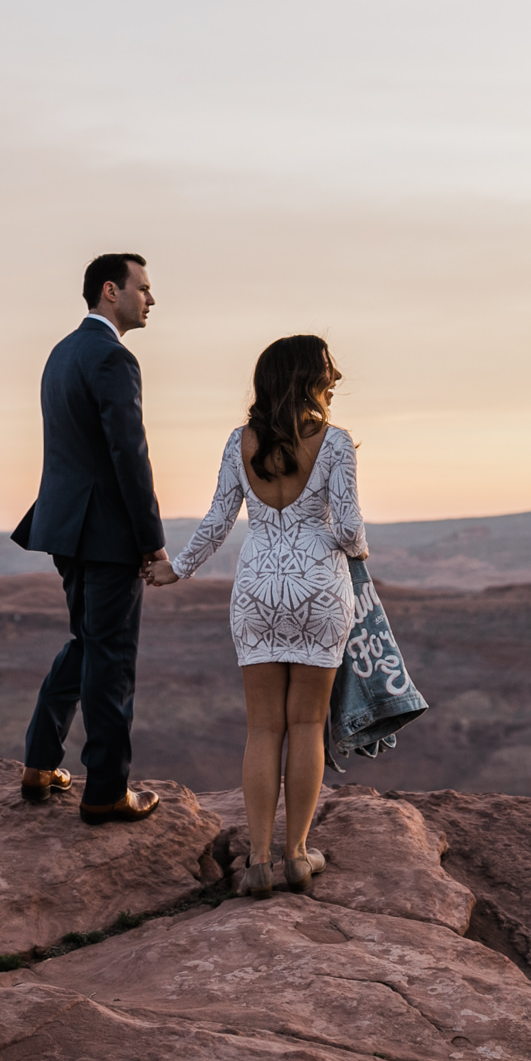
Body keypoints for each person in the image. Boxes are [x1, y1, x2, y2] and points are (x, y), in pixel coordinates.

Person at [150, 334, 367, 895]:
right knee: (307, 726)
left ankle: (259, 864)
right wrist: (358, 549)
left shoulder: (239, 442)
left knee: (263, 727)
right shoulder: (335, 443)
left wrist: (179, 568)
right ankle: (297, 855)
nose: (335, 378)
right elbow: (347, 529)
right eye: (327, 369)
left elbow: (220, 520)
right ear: (305, 377)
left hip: (258, 592)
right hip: (319, 589)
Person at [11, 253, 175, 823]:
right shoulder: (112, 357)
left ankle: (38, 763)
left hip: (64, 526)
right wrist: (152, 540)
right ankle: (106, 791)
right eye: (144, 289)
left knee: (85, 643)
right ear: (112, 291)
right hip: (105, 532)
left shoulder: (61, 353)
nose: (151, 300)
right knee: (111, 659)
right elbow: (128, 455)